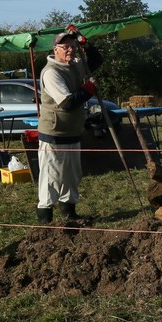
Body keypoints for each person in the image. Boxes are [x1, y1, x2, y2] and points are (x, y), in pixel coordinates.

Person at [35, 31, 101, 224]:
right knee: (51, 178)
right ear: (56, 50)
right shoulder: (51, 72)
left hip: (72, 132)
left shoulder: (74, 65)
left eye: (72, 46)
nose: (70, 50)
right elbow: (67, 103)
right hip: (53, 133)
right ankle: (45, 220)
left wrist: (84, 42)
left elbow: (96, 60)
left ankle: (69, 214)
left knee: (71, 176)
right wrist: (89, 89)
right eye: (65, 47)